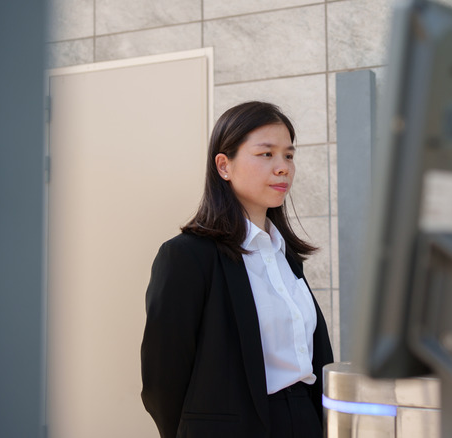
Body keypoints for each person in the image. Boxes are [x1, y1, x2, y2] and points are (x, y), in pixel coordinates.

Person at [141, 101, 334, 438]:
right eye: (266, 154)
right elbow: (162, 378)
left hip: (305, 420)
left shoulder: (286, 257)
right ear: (224, 165)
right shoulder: (187, 256)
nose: (283, 167)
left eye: (289, 155)